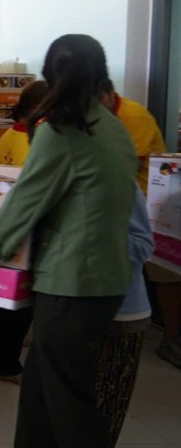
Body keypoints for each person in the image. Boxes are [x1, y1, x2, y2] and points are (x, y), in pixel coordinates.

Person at [0, 34, 136, 448]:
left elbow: (23, 203)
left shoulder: (64, 130)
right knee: (40, 390)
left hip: (73, 282)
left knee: (67, 400)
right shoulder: (112, 127)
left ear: (49, 75)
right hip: (102, 280)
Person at [96, 79, 181, 368]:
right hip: (124, 206)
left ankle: (169, 338)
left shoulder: (132, 116)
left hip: (151, 204)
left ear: (109, 95)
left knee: (163, 272)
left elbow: (127, 165)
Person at [0, 80, 47, 384]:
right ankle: (8, 364)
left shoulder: (6, 136)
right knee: (20, 299)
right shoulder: (38, 138)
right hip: (26, 227)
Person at [95, 186, 155, 444]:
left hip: (121, 316)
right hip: (70, 314)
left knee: (103, 417)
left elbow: (143, 245)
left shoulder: (122, 184)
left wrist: (90, 235)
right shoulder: (59, 179)